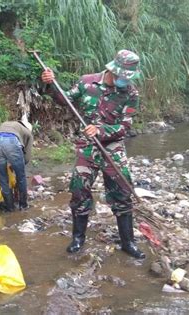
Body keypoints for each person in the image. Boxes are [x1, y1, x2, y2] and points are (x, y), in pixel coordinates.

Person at [41, 49, 145, 259]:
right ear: (112, 70)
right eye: (123, 77)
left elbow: (125, 126)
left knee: (122, 192)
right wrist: (50, 84)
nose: (126, 82)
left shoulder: (131, 94)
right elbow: (64, 100)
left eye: (128, 78)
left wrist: (102, 131)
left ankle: (128, 242)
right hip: (87, 146)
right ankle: (78, 239)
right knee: (79, 190)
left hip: (113, 147)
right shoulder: (87, 82)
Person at [0, 118, 33, 212]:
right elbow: (26, 158)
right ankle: (23, 205)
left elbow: (1, 138)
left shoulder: (8, 124)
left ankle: (9, 207)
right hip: (11, 140)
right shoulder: (28, 133)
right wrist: (17, 166)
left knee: (2, 177)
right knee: (21, 176)